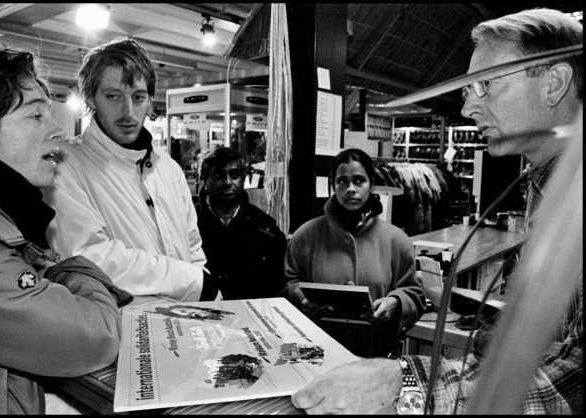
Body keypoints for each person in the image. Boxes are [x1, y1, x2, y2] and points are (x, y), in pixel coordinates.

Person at [291, 8, 582, 414]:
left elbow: (574, 380)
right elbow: (553, 338)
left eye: (485, 85)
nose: (467, 108)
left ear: (554, 84)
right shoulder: (546, 184)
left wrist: (406, 383)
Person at [0, 49, 132, 414]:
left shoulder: (12, 224)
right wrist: (74, 269)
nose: (56, 129)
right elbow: (97, 334)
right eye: (36, 114)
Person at [43, 38, 220, 301]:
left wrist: (201, 287)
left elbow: (193, 248)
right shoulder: (66, 166)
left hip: (186, 324)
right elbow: (87, 258)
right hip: (122, 329)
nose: (128, 112)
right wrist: (192, 281)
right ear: (91, 97)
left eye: (138, 97)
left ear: (150, 100)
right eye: (113, 96)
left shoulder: (168, 168)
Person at [283, 148, 426, 342]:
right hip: (317, 348)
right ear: (333, 186)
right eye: (342, 181)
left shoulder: (397, 240)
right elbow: (288, 282)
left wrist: (395, 302)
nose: (350, 188)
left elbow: (414, 294)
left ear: (371, 184)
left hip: (375, 354)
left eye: (359, 180)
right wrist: (301, 298)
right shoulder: (306, 236)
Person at [195, 147, 287, 299]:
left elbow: (277, 286)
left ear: (244, 178)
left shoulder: (265, 227)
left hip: (250, 315)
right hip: (199, 315)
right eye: (218, 175)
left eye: (235, 175)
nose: (227, 182)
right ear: (204, 180)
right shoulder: (189, 222)